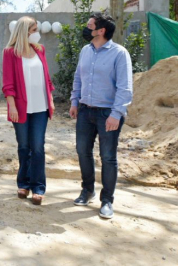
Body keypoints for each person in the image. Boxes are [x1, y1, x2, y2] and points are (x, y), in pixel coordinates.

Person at [69, 12, 133, 220]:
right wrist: (74, 101)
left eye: (90, 26)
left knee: (108, 157)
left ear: (101, 30)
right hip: (85, 110)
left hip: (108, 113)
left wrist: (116, 114)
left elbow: (125, 88)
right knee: (82, 151)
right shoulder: (85, 51)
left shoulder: (119, 53)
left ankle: (107, 201)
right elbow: (78, 78)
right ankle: (87, 191)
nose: (86, 29)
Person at [1, 16, 55, 205]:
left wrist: (51, 99)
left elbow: (47, 78)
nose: (36, 34)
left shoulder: (40, 50)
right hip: (21, 108)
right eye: (33, 30)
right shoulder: (10, 53)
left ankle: (38, 187)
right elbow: (8, 83)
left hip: (41, 107)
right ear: (24, 32)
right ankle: (23, 183)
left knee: (38, 147)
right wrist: (12, 105)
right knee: (24, 147)